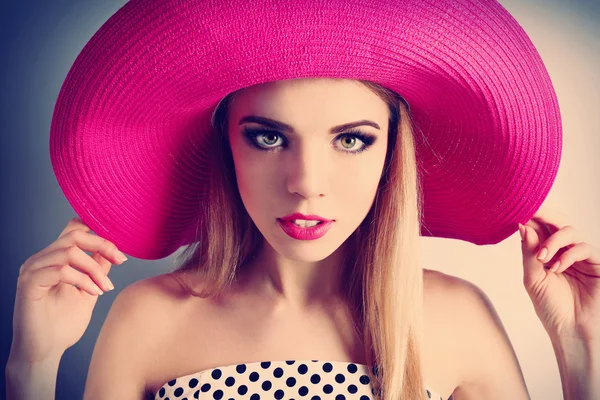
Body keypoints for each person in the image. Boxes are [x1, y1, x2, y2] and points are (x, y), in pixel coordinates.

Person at [5, 1, 600, 399]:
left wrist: (582, 348)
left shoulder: (455, 315)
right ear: (226, 146)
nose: (306, 182)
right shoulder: (148, 317)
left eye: (351, 139)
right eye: (268, 137)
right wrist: (32, 365)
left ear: (393, 152)